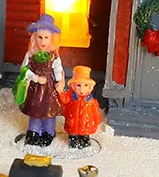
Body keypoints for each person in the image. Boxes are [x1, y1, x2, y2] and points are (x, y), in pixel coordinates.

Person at [17, 14, 65, 146]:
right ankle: (33, 132)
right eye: (40, 37)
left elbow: (58, 68)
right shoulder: (30, 54)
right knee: (35, 109)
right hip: (36, 87)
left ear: (51, 38)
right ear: (34, 37)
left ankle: (48, 132)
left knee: (49, 109)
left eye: (46, 38)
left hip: (49, 87)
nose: (43, 41)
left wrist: (60, 81)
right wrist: (36, 78)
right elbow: (24, 70)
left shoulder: (54, 55)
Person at [58, 65, 102, 149]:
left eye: (85, 85)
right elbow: (64, 100)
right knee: (73, 136)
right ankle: (73, 142)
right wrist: (60, 91)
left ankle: (85, 142)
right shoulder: (70, 96)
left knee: (85, 137)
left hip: (86, 124)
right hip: (72, 123)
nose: (82, 90)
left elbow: (95, 111)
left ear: (90, 87)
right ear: (73, 86)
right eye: (78, 85)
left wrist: (97, 120)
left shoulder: (91, 101)